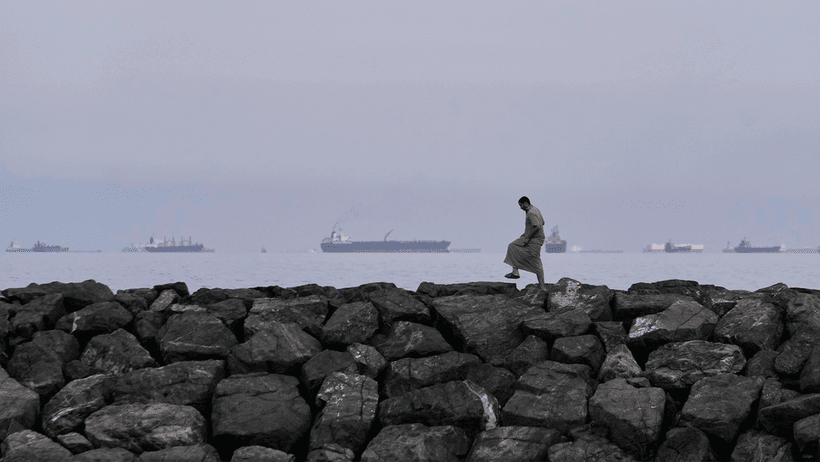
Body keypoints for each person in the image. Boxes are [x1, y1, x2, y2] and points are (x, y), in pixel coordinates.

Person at [504, 196, 547, 290]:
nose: (520, 208)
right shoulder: (536, 209)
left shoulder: (531, 213)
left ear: (526, 203)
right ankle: (515, 272)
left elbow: (537, 226)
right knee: (512, 246)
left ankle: (542, 286)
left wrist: (527, 237)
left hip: (535, 240)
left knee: (536, 261)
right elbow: (542, 222)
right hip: (532, 237)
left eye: (521, 205)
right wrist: (526, 233)